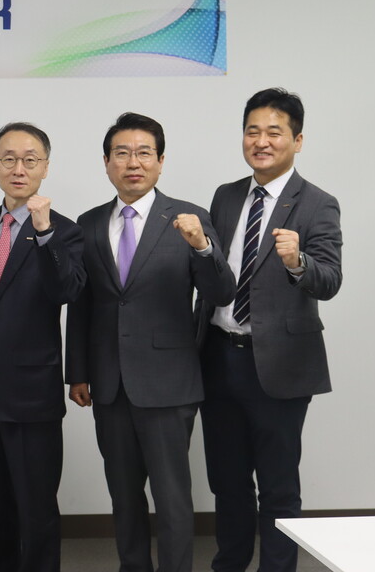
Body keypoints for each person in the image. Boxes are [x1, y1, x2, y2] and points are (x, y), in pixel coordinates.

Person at [65, 112, 235, 572]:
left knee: (172, 498)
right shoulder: (89, 222)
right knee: (123, 496)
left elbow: (222, 292)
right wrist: (77, 373)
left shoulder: (189, 217)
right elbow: (82, 304)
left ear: (161, 161)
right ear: (106, 162)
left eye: (144, 153)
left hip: (169, 384)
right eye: (122, 153)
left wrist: (202, 247)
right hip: (109, 384)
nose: (133, 162)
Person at [200, 88, 342, 572]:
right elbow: (214, 271)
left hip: (279, 366)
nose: (261, 141)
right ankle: (230, 564)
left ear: (297, 140)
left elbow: (330, 280)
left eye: (274, 132)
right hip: (218, 357)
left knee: (279, 486)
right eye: (252, 131)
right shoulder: (225, 196)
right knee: (227, 481)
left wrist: (298, 261)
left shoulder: (318, 203)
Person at [0, 122, 85, 572]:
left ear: (45, 168)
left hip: (31, 394)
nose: (18, 169)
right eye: (8, 159)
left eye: (30, 160)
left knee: (36, 509)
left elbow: (66, 290)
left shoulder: (66, 231)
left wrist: (44, 233)